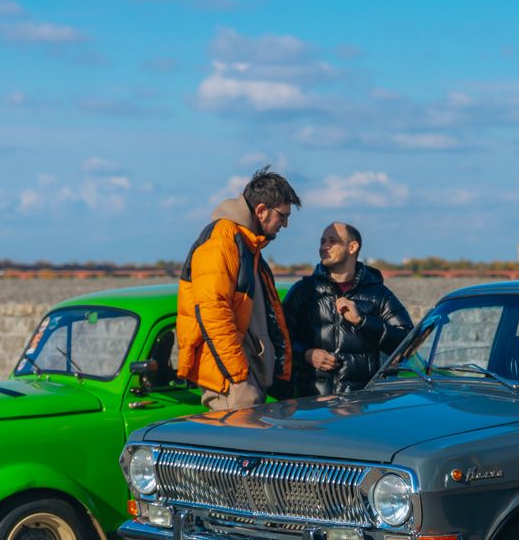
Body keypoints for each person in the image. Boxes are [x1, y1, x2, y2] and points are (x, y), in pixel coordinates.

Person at [176, 167, 299, 410]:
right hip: (232, 382)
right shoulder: (222, 240)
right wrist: (239, 376)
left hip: (244, 376)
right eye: (283, 216)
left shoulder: (247, 246)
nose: (284, 224)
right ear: (261, 211)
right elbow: (213, 311)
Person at [282, 222, 413, 395]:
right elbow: (278, 337)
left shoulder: (378, 294)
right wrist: (306, 354)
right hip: (311, 403)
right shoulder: (304, 291)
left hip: (359, 403)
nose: (324, 247)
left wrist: (363, 322)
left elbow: (408, 342)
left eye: (332, 241)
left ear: (352, 247)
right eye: (322, 241)